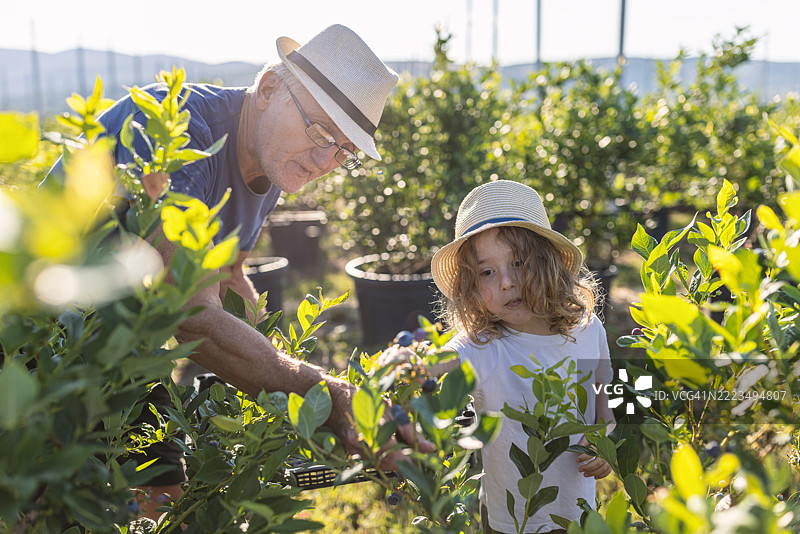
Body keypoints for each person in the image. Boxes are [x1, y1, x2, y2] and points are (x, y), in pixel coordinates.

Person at [43, 24, 432, 519]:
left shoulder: (270, 162)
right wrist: (327, 395)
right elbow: (185, 308)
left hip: (119, 342)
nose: (324, 161)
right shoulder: (179, 132)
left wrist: (281, 376)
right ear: (270, 89)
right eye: (319, 132)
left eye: (344, 151)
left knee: (162, 501)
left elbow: (227, 276)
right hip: (41, 337)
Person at [384, 180, 615, 533]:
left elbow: (606, 402)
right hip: (509, 521)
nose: (505, 282)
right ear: (471, 286)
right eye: (487, 272)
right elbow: (442, 358)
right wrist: (412, 361)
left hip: (577, 510)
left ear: (548, 262)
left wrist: (602, 440)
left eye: (519, 263)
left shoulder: (587, 329)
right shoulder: (483, 345)